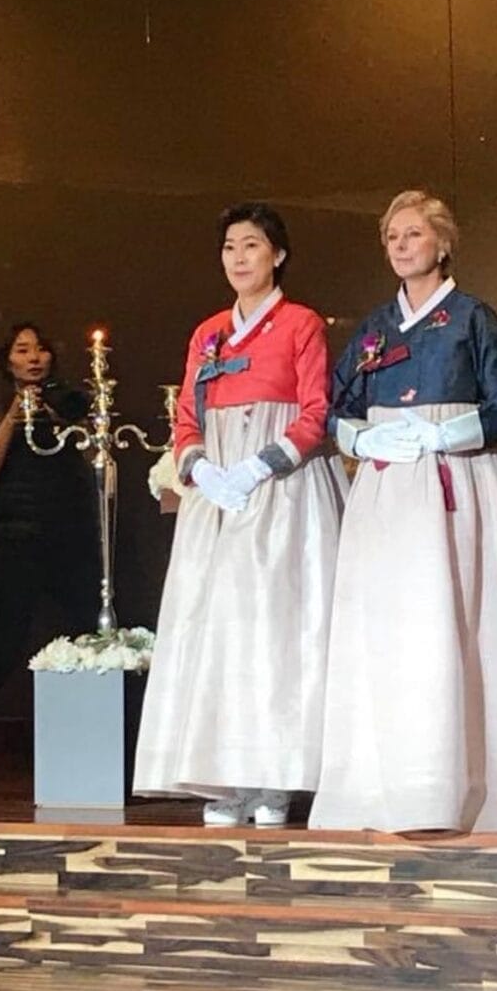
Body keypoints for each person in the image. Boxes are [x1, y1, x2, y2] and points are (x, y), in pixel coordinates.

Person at [311, 190, 497, 833]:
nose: (401, 246)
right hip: (389, 489)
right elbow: (335, 406)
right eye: (391, 237)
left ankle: (482, 789)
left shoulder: (473, 319)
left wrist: (446, 433)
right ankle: (390, 787)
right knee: (395, 630)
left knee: (469, 623)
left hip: (459, 482)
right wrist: (362, 437)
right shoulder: (375, 329)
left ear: (442, 244)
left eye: (413, 234)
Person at [134, 204, 347, 826]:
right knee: (216, 631)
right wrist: (200, 468)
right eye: (229, 246)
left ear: (277, 255)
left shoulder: (302, 323)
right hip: (218, 495)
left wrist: (260, 466)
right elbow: (186, 419)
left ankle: (274, 776)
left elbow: (316, 412)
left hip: (281, 491)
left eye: (251, 245)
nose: (238, 258)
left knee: (275, 630)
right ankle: (224, 775)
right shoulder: (207, 334)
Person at [0, 324, 97, 781]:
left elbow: (92, 458)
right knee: (4, 647)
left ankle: (94, 744)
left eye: (41, 349)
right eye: (22, 350)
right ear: (7, 361)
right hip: (14, 544)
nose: (33, 357)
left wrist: (56, 410)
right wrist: (14, 415)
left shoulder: (71, 405)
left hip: (70, 542)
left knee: (89, 637)